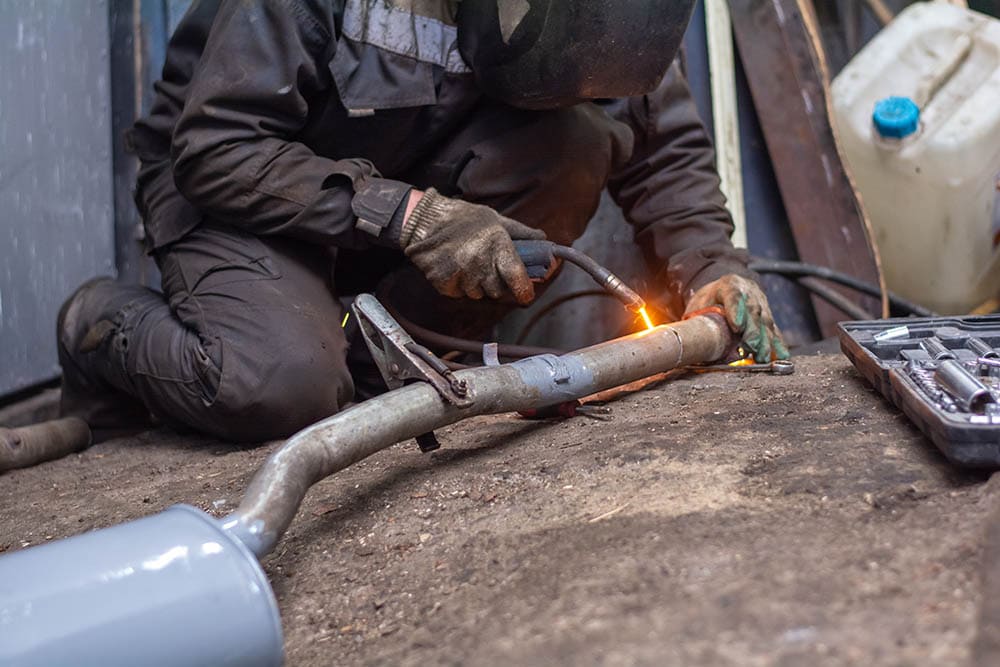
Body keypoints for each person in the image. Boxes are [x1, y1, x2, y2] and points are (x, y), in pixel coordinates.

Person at [57, 0, 788, 443]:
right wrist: (408, 216)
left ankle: (375, 375)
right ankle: (100, 327)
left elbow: (659, 144)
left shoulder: (613, 18)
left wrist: (713, 264)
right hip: (240, 181)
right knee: (280, 387)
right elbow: (216, 147)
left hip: (398, 170)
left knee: (572, 146)